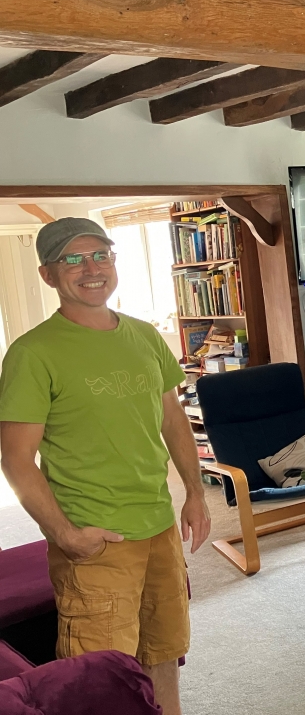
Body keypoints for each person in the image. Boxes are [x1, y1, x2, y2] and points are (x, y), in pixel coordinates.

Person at [0, 218, 211, 715]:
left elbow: (172, 417)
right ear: (48, 275)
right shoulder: (32, 353)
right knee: (99, 678)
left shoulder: (143, 336)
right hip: (95, 540)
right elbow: (15, 458)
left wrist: (196, 493)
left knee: (164, 652)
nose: (91, 268)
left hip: (158, 526)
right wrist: (65, 534)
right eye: (72, 259)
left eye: (100, 255)